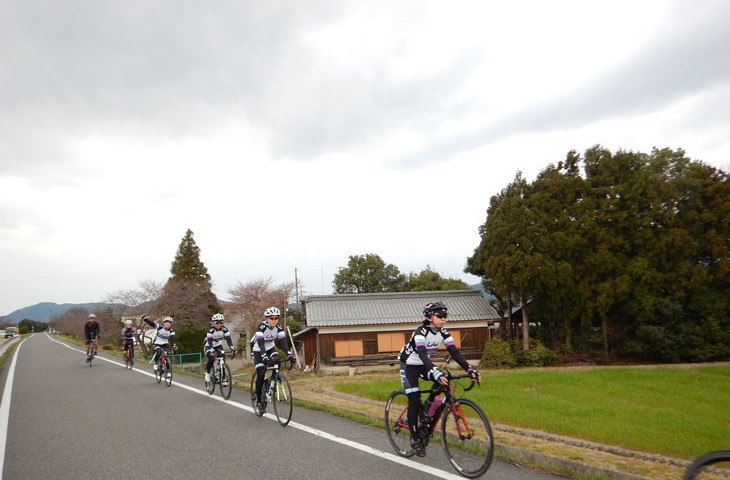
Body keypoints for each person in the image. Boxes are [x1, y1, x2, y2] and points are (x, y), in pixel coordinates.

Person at [398, 301, 480, 457]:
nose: (443, 319)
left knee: (442, 381)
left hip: (423, 364)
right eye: (440, 316)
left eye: (445, 316)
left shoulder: (443, 332)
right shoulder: (420, 332)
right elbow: (422, 353)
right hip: (409, 365)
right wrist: (434, 370)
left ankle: (427, 415)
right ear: (429, 317)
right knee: (414, 400)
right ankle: (415, 440)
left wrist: (469, 369)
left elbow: (454, 352)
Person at [251, 307, 295, 414]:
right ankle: (259, 402)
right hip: (257, 350)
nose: (274, 320)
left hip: (270, 348)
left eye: (276, 318)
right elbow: (261, 343)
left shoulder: (278, 327)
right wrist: (264, 356)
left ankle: (271, 381)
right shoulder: (261, 327)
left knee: (277, 361)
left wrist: (289, 353)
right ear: (267, 319)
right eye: (271, 318)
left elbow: (283, 342)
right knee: (261, 371)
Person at [204, 313, 235, 384]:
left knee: (222, 360)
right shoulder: (211, 330)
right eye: (217, 322)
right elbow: (209, 340)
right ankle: (207, 373)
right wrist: (211, 349)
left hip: (218, 345)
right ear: (213, 323)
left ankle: (223, 378)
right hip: (209, 345)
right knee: (211, 358)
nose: (219, 324)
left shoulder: (224, 329)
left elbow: (228, 339)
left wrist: (232, 348)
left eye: (221, 322)